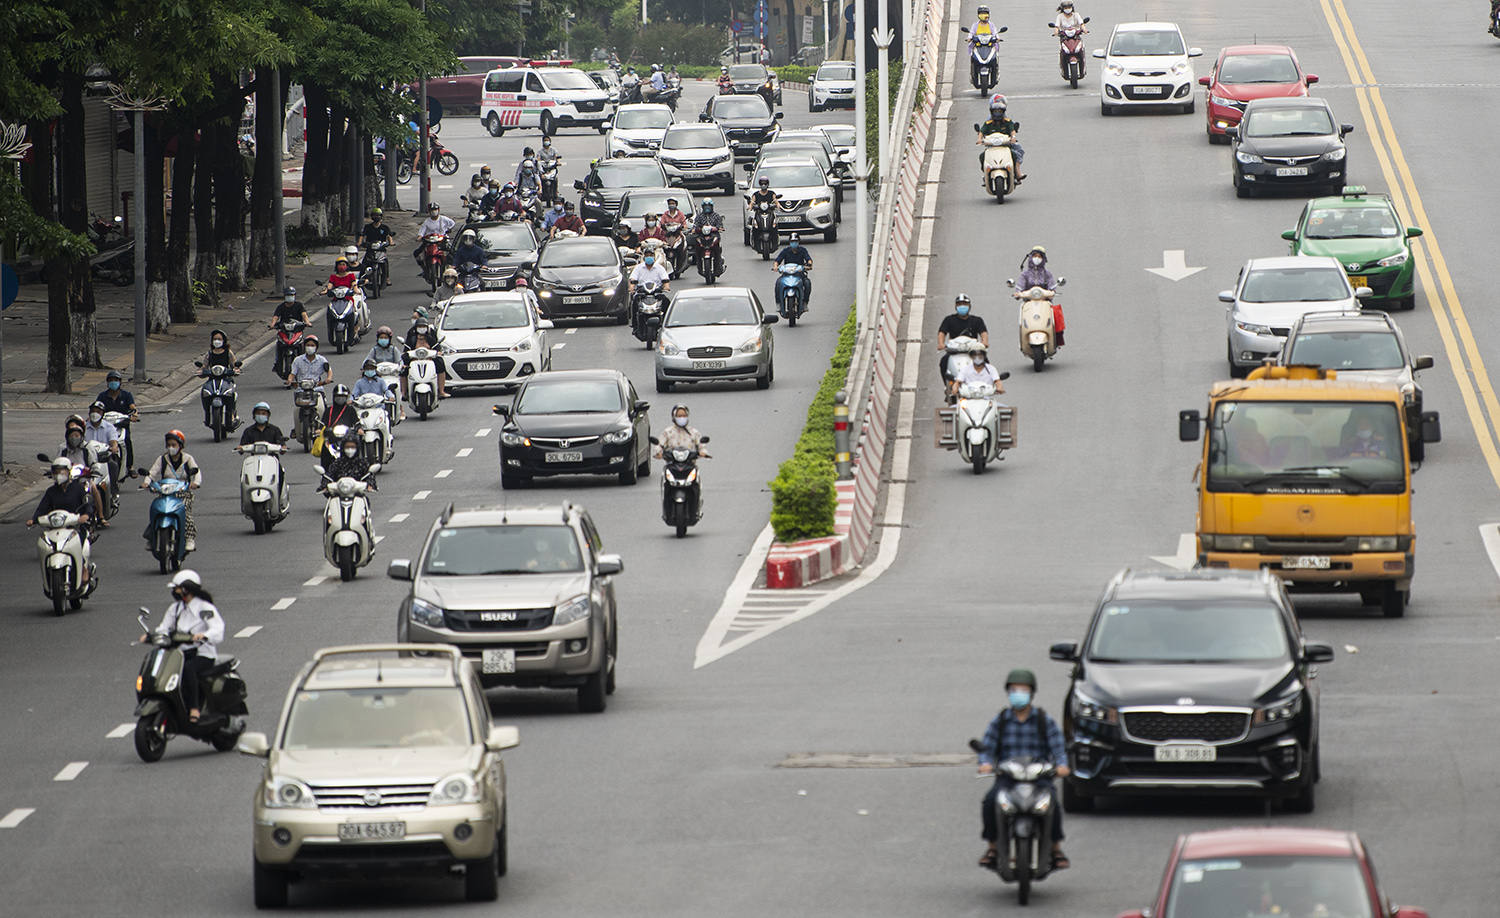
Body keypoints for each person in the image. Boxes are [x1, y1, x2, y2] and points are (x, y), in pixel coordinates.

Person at [976, 669, 1071, 872]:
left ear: (1032, 693)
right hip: (1009, 778)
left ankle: (1056, 849)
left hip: (1039, 778)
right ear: (1008, 693)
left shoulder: (1044, 721)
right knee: (990, 801)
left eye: (1023, 690)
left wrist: (1062, 766)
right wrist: (984, 763)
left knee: (1052, 803)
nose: (1018, 693)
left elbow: (1058, 748)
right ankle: (992, 848)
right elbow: (987, 748)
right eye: (1014, 690)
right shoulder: (1000, 721)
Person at [140, 571, 224, 723]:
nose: (175, 592)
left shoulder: (204, 607)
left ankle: (194, 708)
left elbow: (218, 628)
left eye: (178, 588)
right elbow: (164, 628)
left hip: (203, 655)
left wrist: (204, 636)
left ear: (187, 589)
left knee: (189, 669)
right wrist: (151, 636)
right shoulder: (176, 608)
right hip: (180, 653)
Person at [141, 430, 202, 552]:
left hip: (183, 492)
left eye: (174, 445)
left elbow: (197, 471)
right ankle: (151, 537)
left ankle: (189, 538)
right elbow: (152, 472)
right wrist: (146, 483)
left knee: (185, 511)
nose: (171, 448)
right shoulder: (162, 459)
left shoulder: (187, 458)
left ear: (180, 446)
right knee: (156, 510)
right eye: (168, 445)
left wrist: (196, 483)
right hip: (165, 492)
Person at [59, 416, 109, 523]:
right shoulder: (62, 449)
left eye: (77, 435)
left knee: (94, 489)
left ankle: (101, 516)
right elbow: (57, 463)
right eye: (71, 435)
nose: (74, 438)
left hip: (83, 479)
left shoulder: (87, 448)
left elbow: (94, 463)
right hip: (67, 480)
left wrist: (94, 471)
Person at [1014, 245, 1063, 345]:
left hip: (1044, 302)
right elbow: (1020, 286)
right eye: (1035, 256)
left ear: (1044, 259)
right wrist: (1018, 293)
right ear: (1031, 257)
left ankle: (1055, 339)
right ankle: (1024, 340)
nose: (1037, 258)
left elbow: (1052, 287)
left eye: (1040, 256)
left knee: (1056, 315)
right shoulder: (1025, 274)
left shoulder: (1047, 274)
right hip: (1029, 303)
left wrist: (1052, 292)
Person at [97, 369, 138, 475]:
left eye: (116, 380)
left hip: (122, 426)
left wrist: (134, 415)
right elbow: (96, 408)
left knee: (127, 440)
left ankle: (130, 467)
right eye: (111, 380)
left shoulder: (126, 395)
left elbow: (133, 407)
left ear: (120, 382)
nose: (113, 382)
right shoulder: (102, 396)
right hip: (107, 425)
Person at [977, 94, 1025, 181]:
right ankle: (986, 175)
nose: (997, 114)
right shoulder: (988, 123)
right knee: (982, 156)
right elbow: (981, 131)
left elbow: (1012, 130)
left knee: (1015, 154)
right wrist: (979, 139)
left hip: (1005, 145)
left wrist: (1013, 137)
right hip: (992, 146)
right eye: (995, 111)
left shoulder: (1007, 122)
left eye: (999, 111)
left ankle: (1017, 172)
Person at [82, 400, 123, 494]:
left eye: (98, 412)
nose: (94, 414)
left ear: (102, 414)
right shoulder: (84, 428)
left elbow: (114, 442)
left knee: (113, 465)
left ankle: (113, 491)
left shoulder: (109, 427)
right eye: (92, 411)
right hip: (87, 457)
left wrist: (113, 447)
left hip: (104, 457)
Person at [408, 329, 451, 399]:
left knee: (440, 364)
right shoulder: (412, 339)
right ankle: (404, 392)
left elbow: (437, 349)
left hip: (430, 360)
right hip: (415, 361)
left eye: (423, 326)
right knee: (404, 368)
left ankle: (441, 391)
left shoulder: (430, 339)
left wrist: (438, 353)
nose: (421, 338)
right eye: (419, 326)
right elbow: (406, 350)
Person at [773, 233, 814, 302]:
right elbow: (777, 260)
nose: (794, 243)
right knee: (778, 283)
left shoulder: (803, 250)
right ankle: (778, 303)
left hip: (799, 274)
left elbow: (809, 260)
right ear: (789, 242)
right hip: (786, 274)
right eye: (792, 242)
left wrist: (809, 265)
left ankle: (805, 302)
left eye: (795, 241)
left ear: (798, 242)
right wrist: (775, 267)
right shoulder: (785, 251)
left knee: (807, 284)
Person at [414, 202, 456, 268]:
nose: (434, 211)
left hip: (441, 240)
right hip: (429, 241)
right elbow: (421, 232)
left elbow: (452, 223)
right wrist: (419, 237)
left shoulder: (443, 219)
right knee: (417, 253)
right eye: (432, 210)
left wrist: (448, 230)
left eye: (435, 209)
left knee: (452, 253)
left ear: (438, 210)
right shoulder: (427, 222)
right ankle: (424, 268)